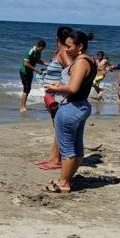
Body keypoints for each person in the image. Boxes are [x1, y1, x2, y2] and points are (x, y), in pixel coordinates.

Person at [44, 30, 96, 193]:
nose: (66, 49)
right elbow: (78, 86)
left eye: (69, 46)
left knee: (67, 149)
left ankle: (64, 183)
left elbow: (73, 88)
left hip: (71, 108)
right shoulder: (90, 60)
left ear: (80, 46)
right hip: (81, 106)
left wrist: (55, 88)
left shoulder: (81, 61)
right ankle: (65, 179)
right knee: (77, 147)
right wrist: (61, 87)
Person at [35, 26, 73, 170]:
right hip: (51, 94)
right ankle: (53, 157)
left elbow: (71, 69)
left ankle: (56, 160)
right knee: (56, 127)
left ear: (57, 38)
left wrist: (60, 86)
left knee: (58, 127)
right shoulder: (58, 52)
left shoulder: (63, 52)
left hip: (57, 95)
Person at [19, 39, 47, 112]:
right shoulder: (30, 51)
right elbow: (26, 63)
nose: (42, 51)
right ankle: (22, 107)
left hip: (30, 72)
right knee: (26, 89)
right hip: (24, 71)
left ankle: (24, 105)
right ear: (39, 46)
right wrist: (37, 70)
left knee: (28, 89)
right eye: (42, 49)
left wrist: (46, 64)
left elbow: (37, 60)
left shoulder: (38, 52)